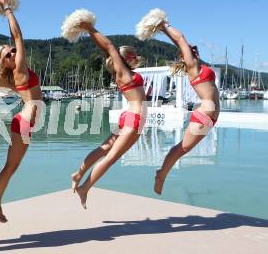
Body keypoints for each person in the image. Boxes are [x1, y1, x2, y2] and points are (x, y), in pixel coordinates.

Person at [0, 0, 43, 223]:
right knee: (10, 167)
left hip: (25, 123)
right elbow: (18, 36)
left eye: (13, 51)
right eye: (8, 55)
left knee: (11, 167)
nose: (14, 53)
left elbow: (14, 40)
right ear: (4, 63)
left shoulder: (15, 73)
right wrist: (7, 9)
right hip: (24, 123)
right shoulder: (20, 70)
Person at [71, 21, 147, 208]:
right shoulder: (122, 72)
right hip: (134, 119)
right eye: (132, 54)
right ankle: (85, 188)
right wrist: (89, 29)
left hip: (129, 117)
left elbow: (109, 49)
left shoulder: (124, 73)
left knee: (104, 149)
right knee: (110, 157)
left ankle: (79, 174)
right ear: (125, 58)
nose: (135, 56)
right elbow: (109, 46)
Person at [154, 22, 220, 195]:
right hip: (205, 114)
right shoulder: (192, 66)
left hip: (211, 117)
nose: (194, 50)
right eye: (190, 50)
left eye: (194, 48)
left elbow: (180, 42)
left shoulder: (199, 65)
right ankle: (161, 175)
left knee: (184, 148)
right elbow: (180, 39)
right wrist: (164, 26)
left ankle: (162, 173)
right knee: (182, 148)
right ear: (185, 57)